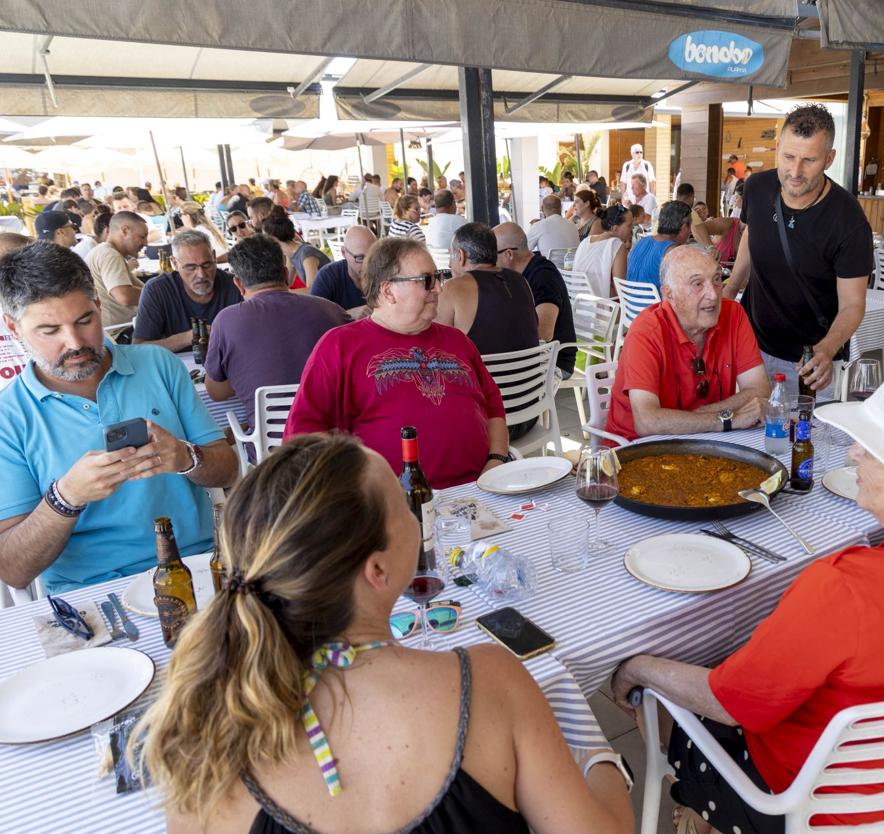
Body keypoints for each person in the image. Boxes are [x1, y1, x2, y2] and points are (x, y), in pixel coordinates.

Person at [612, 352, 884, 833]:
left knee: (669, 700)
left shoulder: (847, 587)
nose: (854, 453)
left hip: (810, 809)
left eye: (872, 447)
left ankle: (696, 807)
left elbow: (730, 703)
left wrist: (636, 665)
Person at [136, 433, 635, 834]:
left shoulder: (199, 742)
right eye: (402, 503)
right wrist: (600, 757)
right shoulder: (490, 681)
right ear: (378, 569)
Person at [0, 242, 237, 593]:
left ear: (99, 306)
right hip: (88, 592)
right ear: (14, 328)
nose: (75, 342)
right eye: (49, 331)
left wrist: (187, 457)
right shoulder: (10, 417)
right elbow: (14, 570)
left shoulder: (158, 365)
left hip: (194, 567)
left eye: (85, 320)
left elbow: (228, 469)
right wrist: (65, 497)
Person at [285, 238, 511, 488]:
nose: (439, 289)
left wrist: (497, 458)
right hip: (393, 507)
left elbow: (492, 405)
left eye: (438, 277)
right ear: (388, 291)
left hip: (482, 490)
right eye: (426, 280)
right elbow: (303, 434)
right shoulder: (339, 346)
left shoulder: (457, 340)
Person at [723, 103, 872, 395]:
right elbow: (752, 237)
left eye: (809, 160)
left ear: (829, 159)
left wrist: (827, 349)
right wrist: (729, 292)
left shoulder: (848, 220)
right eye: (788, 157)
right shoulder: (757, 187)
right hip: (749, 347)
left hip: (807, 363)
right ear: (777, 147)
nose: (795, 171)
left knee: (801, 440)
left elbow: (853, 305)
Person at [605, 245, 768, 441]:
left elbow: (760, 390)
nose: (714, 295)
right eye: (697, 284)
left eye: (717, 279)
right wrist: (727, 419)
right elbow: (647, 422)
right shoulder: (646, 330)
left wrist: (697, 417)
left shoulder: (733, 315)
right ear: (669, 294)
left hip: (706, 439)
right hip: (638, 448)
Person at [206, 235, 349, 429]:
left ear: (238, 284)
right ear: (284, 274)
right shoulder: (331, 310)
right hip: (333, 444)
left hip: (271, 451)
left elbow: (216, 392)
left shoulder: (225, 322)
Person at [438, 223, 539, 359]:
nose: (449, 264)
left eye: (451, 255)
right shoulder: (521, 280)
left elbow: (438, 348)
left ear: (461, 256)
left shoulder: (454, 288)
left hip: (483, 379)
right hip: (532, 378)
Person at [132, 231, 242, 351]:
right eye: (191, 267)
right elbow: (139, 348)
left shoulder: (236, 284)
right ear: (175, 264)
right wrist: (192, 336)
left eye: (207, 265)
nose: (201, 274)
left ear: (214, 257)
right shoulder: (157, 290)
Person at [494, 223, 577, 378]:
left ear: (509, 254)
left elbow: (544, 332)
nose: (490, 263)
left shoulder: (543, 276)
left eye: (492, 256)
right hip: (533, 358)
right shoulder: (518, 275)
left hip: (553, 362)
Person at [85, 210, 147, 326]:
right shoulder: (110, 254)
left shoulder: (104, 251)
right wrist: (157, 295)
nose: (146, 243)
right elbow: (124, 296)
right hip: (122, 333)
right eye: (142, 237)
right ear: (124, 231)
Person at [309, 225, 376, 315]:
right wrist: (347, 315)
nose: (368, 264)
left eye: (373, 256)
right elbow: (314, 316)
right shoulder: (327, 276)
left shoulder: (386, 272)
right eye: (360, 257)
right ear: (344, 253)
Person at [626, 200, 691, 290]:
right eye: (690, 227)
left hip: (628, 302)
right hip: (654, 303)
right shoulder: (672, 252)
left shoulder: (641, 242)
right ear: (683, 228)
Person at [261, 207, 329, 289]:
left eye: (265, 238)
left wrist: (281, 295)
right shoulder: (291, 253)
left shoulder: (307, 254)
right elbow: (287, 283)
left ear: (274, 239)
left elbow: (313, 291)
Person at [574, 205, 632, 298]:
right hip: (601, 308)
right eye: (629, 225)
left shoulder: (586, 241)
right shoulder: (616, 244)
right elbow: (621, 290)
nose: (632, 229)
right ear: (615, 229)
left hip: (579, 304)